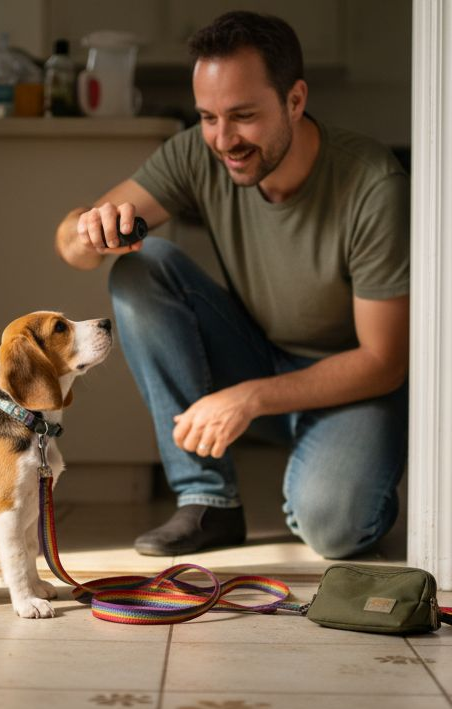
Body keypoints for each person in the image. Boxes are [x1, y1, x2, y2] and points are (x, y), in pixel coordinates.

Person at [53, 11, 409, 559]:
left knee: (335, 528)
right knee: (140, 268)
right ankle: (207, 502)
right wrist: (87, 232)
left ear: (294, 100)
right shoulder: (200, 151)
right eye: (208, 117)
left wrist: (250, 398)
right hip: (258, 354)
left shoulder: (372, 184)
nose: (224, 140)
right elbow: (71, 244)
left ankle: (353, 475)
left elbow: (385, 361)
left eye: (243, 115)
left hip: (352, 384)